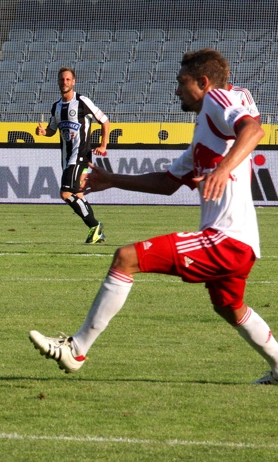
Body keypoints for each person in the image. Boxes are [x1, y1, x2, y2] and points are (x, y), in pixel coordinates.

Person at [29, 49, 278, 385]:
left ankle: (76, 350)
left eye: (182, 83)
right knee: (228, 306)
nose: (176, 91)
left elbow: (254, 130)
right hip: (238, 242)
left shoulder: (218, 99)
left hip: (226, 240)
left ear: (203, 83)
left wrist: (222, 169)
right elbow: (166, 183)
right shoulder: (204, 129)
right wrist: (112, 179)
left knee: (125, 258)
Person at [35, 67, 110, 244]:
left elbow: (105, 121)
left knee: (65, 193)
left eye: (68, 79)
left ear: (74, 82)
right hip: (67, 157)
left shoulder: (82, 101)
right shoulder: (56, 106)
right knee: (78, 194)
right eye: (62, 79)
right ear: (58, 82)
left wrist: (103, 144)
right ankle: (96, 232)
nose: (65, 82)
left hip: (81, 154)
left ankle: (95, 226)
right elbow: (52, 131)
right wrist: (42, 132)